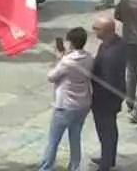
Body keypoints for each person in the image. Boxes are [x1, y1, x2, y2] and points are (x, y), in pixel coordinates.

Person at [36, 27, 93, 171]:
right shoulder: (89, 58)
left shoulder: (66, 61)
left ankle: (46, 167)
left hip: (65, 105)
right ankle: (74, 166)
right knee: (75, 137)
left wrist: (58, 59)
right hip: (83, 103)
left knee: (53, 140)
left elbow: (51, 77)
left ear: (71, 42)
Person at [90, 17, 128, 171]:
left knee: (106, 129)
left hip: (105, 98)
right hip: (112, 94)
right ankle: (108, 157)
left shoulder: (110, 54)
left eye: (96, 28)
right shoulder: (116, 44)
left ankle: (106, 163)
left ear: (105, 31)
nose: (93, 30)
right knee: (109, 128)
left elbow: (107, 80)